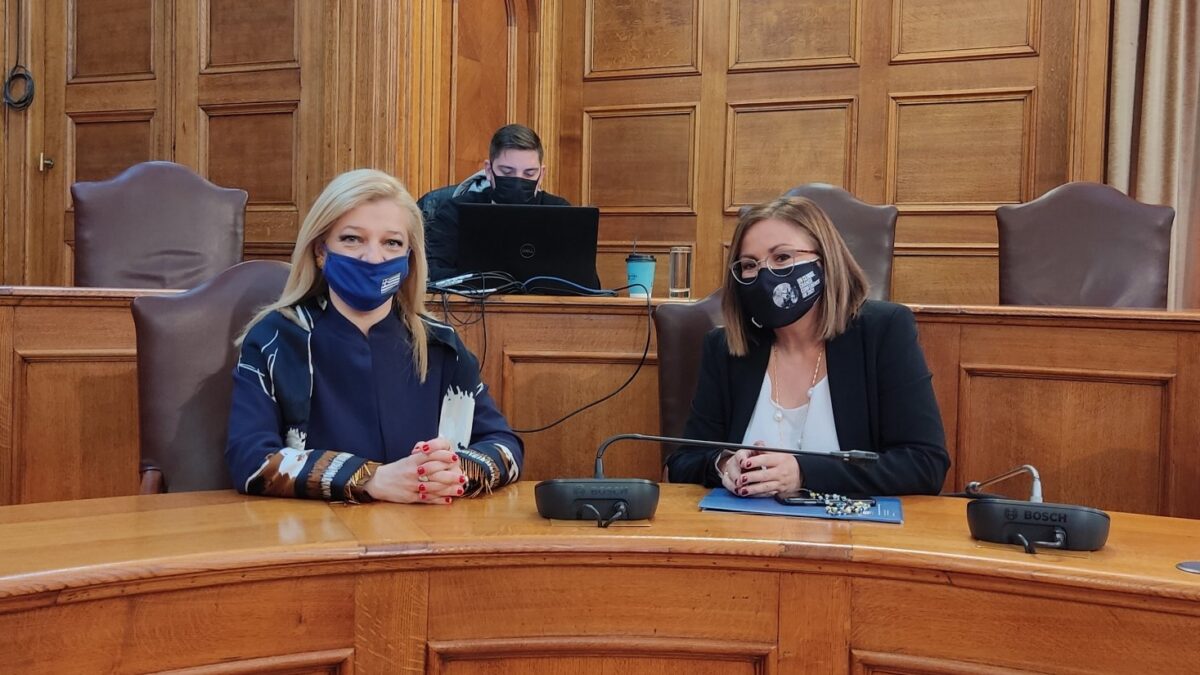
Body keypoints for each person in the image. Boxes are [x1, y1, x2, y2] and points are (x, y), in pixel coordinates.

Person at [226, 169, 523, 504]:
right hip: (315, 528)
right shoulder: (276, 338)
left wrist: (454, 470)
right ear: (321, 251)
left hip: (424, 526)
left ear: (409, 259)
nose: (372, 258)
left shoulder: (441, 345)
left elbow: (505, 447)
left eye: (391, 243)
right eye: (352, 239)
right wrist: (369, 479)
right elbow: (251, 459)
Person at [665, 196, 948, 498]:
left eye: (782, 258)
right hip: (745, 526)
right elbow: (682, 463)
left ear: (824, 261)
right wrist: (722, 465)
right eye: (749, 265)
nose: (765, 275)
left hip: (849, 526)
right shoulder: (725, 349)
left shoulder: (884, 331)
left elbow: (925, 464)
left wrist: (804, 473)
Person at [425, 123, 570, 281]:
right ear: (489, 170)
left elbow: (581, 278)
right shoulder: (455, 211)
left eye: (529, 173)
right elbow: (433, 272)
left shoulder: (561, 213)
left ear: (541, 174)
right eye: (507, 172)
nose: (518, 182)